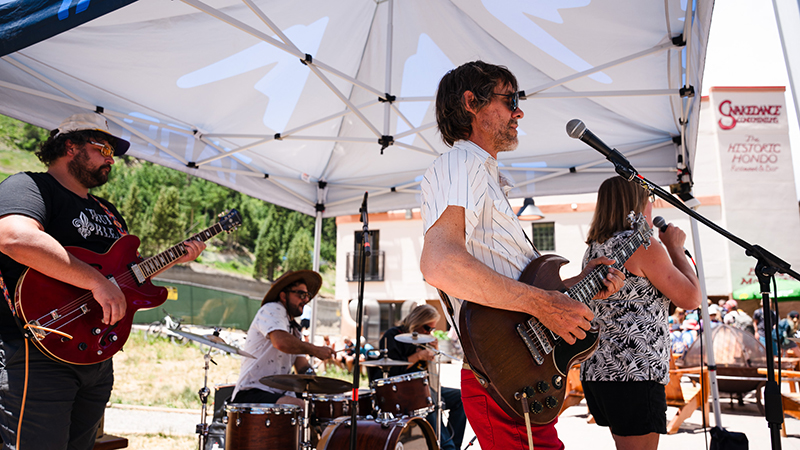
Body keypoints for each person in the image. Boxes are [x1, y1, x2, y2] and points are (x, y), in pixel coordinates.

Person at [419, 60, 626, 450]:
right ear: (471, 103)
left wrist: (574, 289)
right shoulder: (461, 161)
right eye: (510, 98)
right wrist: (546, 305)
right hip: (502, 373)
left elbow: (513, 280)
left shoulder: (480, 174)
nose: (519, 111)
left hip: (515, 372)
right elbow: (440, 263)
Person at [0, 112, 206, 449]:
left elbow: (124, 277)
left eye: (113, 154)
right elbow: (14, 237)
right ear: (71, 146)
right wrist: (96, 282)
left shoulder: (108, 211)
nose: (111, 159)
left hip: (95, 355)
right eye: (103, 149)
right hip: (39, 348)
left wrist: (173, 259)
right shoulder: (30, 186)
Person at [580, 176, 702, 450]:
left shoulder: (594, 248)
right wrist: (674, 248)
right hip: (634, 370)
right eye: (648, 201)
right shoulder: (641, 245)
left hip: (601, 369)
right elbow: (692, 298)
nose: (651, 209)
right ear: (635, 205)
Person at [231, 270, 334, 406]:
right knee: (300, 406)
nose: (306, 300)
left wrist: (320, 385)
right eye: (301, 294)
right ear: (284, 296)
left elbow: (302, 367)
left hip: (278, 394)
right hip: (252, 392)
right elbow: (281, 342)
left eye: (307, 295)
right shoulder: (273, 309)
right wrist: (315, 350)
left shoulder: (294, 330)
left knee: (321, 405)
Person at [371, 304, 466, 450]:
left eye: (432, 329)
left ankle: (454, 445)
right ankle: (448, 447)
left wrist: (433, 351)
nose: (429, 332)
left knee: (460, 398)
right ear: (416, 322)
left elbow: (433, 374)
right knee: (428, 401)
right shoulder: (394, 335)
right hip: (401, 391)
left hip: (426, 387)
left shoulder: (424, 339)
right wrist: (418, 356)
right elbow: (393, 370)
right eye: (427, 328)